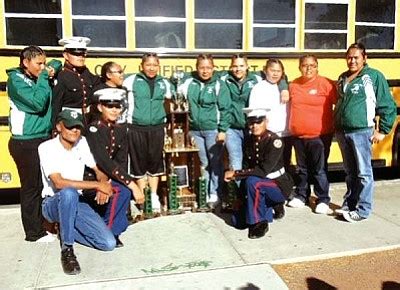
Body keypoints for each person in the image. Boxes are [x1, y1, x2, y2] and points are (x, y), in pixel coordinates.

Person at [39, 110, 119, 275]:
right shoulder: (46, 148)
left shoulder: (81, 142)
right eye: (69, 127)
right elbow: (58, 183)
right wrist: (97, 184)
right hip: (52, 202)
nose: (74, 130)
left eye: (78, 127)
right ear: (59, 127)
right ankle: (67, 250)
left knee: (108, 243)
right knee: (69, 192)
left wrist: (103, 183)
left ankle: (65, 227)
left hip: (76, 201)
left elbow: (97, 169)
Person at [334, 43, 396, 222]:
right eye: (349, 57)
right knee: (350, 172)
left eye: (356, 57)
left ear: (364, 58)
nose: (352, 60)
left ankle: (363, 210)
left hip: (362, 131)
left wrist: (383, 130)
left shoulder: (373, 76)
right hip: (343, 132)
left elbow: (387, 104)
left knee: (364, 173)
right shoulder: (342, 78)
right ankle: (350, 204)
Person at [7, 45, 61, 242]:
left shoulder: (37, 75)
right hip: (25, 142)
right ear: (25, 63)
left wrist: (51, 66)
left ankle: (45, 224)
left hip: (42, 138)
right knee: (31, 187)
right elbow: (38, 103)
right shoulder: (16, 81)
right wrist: (45, 77)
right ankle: (33, 232)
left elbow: (58, 62)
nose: (43, 67)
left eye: (44, 62)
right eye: (38, 63)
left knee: (44, 185)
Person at [85, 88, 144, 246]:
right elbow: (103, 161)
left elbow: (120, 161)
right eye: (109, 106)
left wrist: (120, 181)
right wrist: (132, 184)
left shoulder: (120, 130)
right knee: (122, 190)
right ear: (99, 107)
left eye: (117, 107)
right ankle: (107, 232)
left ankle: (113, 230)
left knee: (123, 189)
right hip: (90, 177)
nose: (114, 110)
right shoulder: (93, 130)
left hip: (110, 175)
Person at [224, 108, 293, 239]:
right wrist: (239, 196)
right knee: (237, 221)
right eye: (251, 123)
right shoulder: (249, 140)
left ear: (266, 121)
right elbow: (247, 166)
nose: (254, 126)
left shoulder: (275, 141)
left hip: (277, 185)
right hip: (259, 183)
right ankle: (270, 205)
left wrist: (236, 174)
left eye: (258, 122)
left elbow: (263, 170)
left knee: (253, 182)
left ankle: (259, 223)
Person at [123, 53, 174, 213]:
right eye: (148, 65)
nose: (151, 68)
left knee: (155, 163)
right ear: (141, 66)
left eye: (154, 65)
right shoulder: (130, 81)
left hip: (157, 128)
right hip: (136, 128)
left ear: (158, 66)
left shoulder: (164, 83)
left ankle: (153, 196)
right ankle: (142, 197)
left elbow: (173, 101)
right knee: (138, 164)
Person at [178, 54, 231, 208]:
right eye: (202, 67)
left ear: (213, 68)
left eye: (208, 67)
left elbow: (225, 109)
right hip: (195, 130)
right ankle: (204, 193)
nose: (205, 71)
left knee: (215, 163)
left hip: (213, 130)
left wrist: (222, 130)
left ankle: (215, 193)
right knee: (203, 163)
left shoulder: (219, 85)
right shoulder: (189, 83)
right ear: (197, 68)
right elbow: (176, 87)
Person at [287, 55, 337, 214]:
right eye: (305, 65)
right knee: (302, 169)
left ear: (317, 67)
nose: (308, 68)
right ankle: (302, 195)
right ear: (299, 67)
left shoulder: (326, 84)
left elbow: (342, 104)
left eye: (312, 65)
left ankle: (323, 199)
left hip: (320, 136)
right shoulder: (293, 85)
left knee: (319, 169)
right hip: (298, 136)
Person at [248, 58, 292, 172]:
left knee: (284, 165)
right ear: (265, 70)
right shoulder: (258, 88)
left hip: (286, 133)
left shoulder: (286, 87)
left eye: (278, 71)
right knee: (270, 166)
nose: (275, 74)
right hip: (268, 135)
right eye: (272, 70)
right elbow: (255, 113)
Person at [52, 36, 100, 125]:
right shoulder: (62, 75)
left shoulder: (86, 73)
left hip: (87, 121)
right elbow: (56, 105)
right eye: (76, 54)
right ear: (65, 55)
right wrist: (55, 127)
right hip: (69, 122)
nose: (81, 57)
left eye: (83, 54)